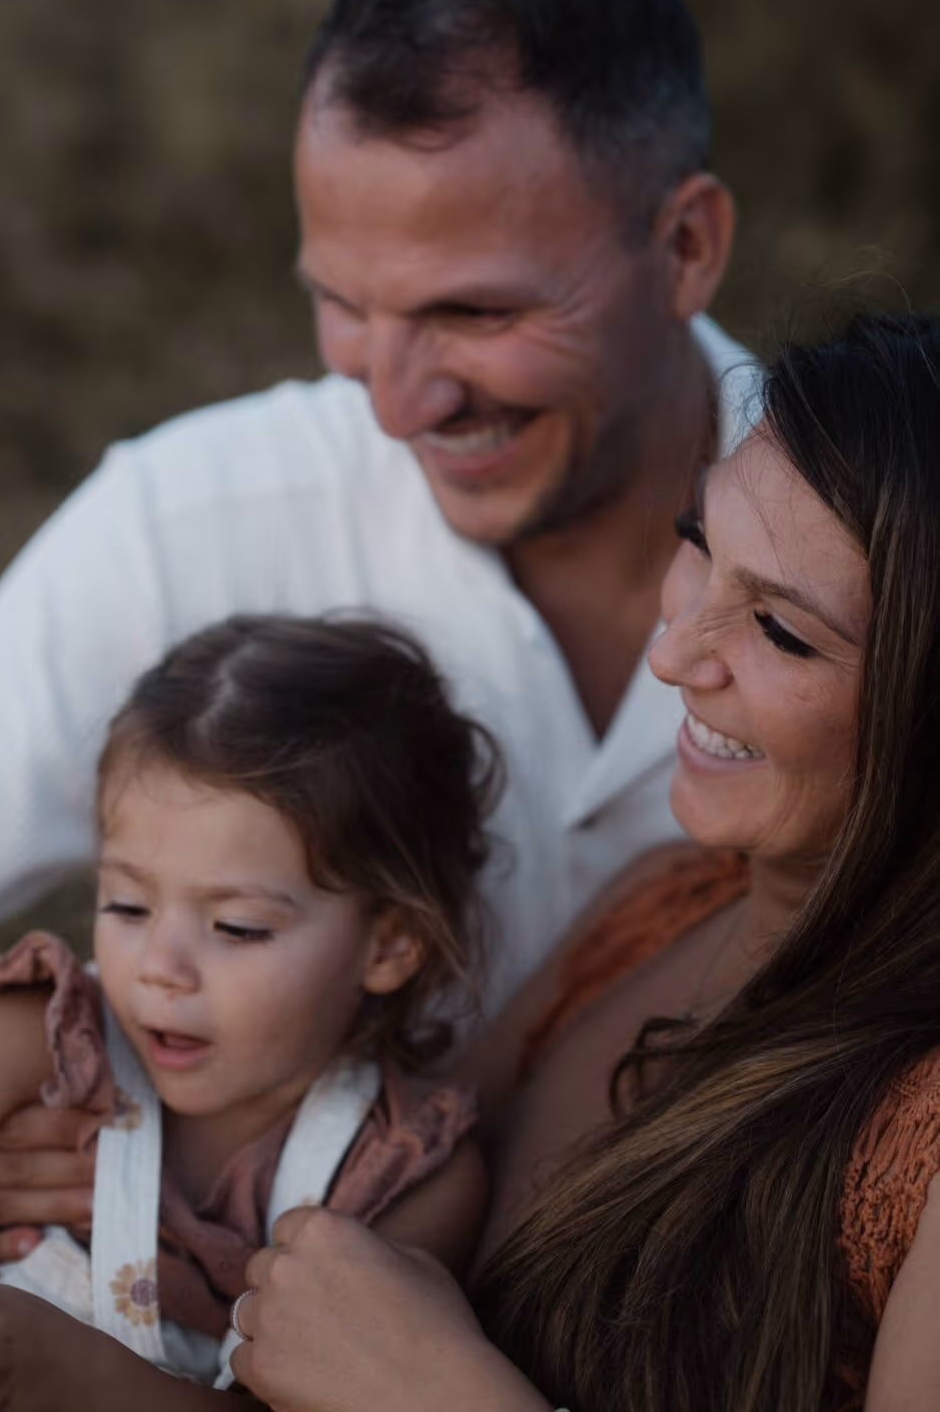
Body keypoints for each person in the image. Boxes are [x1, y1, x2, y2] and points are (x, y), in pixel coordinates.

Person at [0, 0, 750, 1267]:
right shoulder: (189, 520)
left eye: (475, 313)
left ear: (684, 247)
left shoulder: (875, 549)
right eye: (344, 302)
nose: (398, 400)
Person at [57, 309, 940, 1412]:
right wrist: (66, 1168)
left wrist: (441, 1393)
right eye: (699, 546)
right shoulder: (655, 905)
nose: (670, 653)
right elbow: (354, 1184)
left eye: (779, 632)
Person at [0, 614, 491, 1404]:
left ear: (389, 945)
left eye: (236, 926)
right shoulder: (46, 1033)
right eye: (127, 906)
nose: (160, 970)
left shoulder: (406, 1174)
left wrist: (74, 1371)